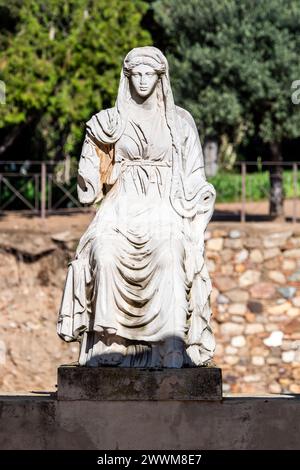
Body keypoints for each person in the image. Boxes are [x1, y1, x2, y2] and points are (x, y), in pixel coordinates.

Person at [57, 46, 216, 368]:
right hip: (121, 208)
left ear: (161, 78)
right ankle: (107, 342)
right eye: (136, 75)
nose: (143, 81)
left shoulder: (181, 122)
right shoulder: (110, 122)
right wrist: (94, 144)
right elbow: (90, 187)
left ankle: (171, 344)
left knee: (170, 255)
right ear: (127, 77)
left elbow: (196, 178)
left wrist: (196, 225)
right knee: (104, 252)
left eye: (150, 75)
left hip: (165, 208)